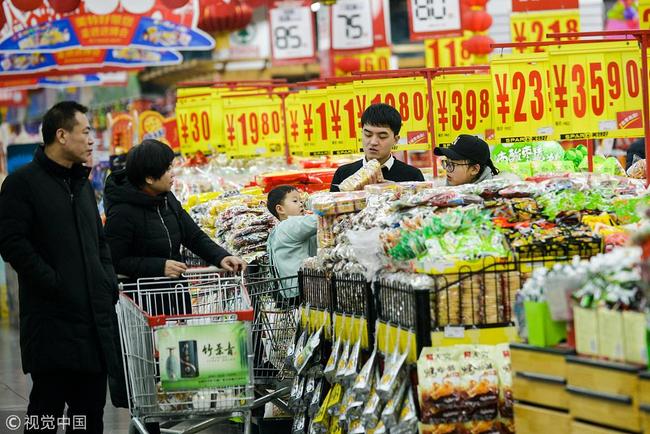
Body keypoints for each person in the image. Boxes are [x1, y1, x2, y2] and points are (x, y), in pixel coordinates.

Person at [0, 101, 121, 433]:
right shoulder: (22, 184)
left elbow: (100, 241)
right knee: (46, 412)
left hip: (93, 323)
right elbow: (12, 243)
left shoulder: (81, 184)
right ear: (62, 135)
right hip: (51, 323)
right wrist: (54, 283)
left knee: (90, 414)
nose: (92, 139)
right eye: (86, 131)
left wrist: (106, 281)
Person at [104, 139, 246, 304]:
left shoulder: (167, 199)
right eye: (167, 169)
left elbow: (193, 236)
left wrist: (221, 256)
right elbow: (114, 260)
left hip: (176, 294)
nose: (173, 173)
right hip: (141, 305)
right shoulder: (122, 212)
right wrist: (159, 267)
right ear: (149, 178)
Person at [330, 103, 424, 192]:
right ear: (361, 133)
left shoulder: (412, 176)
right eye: (368, 134)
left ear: (395, 140)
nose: (373, 142)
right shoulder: (343, 174)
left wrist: (394, 191)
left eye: (382, 136)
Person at [266, 185, 317, 297]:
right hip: (302, 289)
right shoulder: (288, 225)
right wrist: (326, 206)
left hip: (290, 290)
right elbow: (316, 221)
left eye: (301, 201)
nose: (301, 204)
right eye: (295, 201)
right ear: (280, 209)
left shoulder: (277, 230)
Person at [434, 134, 499, 186]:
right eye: (447, 163)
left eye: (453, 164)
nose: (447, 169)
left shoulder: (490, 198)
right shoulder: (448, 192)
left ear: (474, 169)